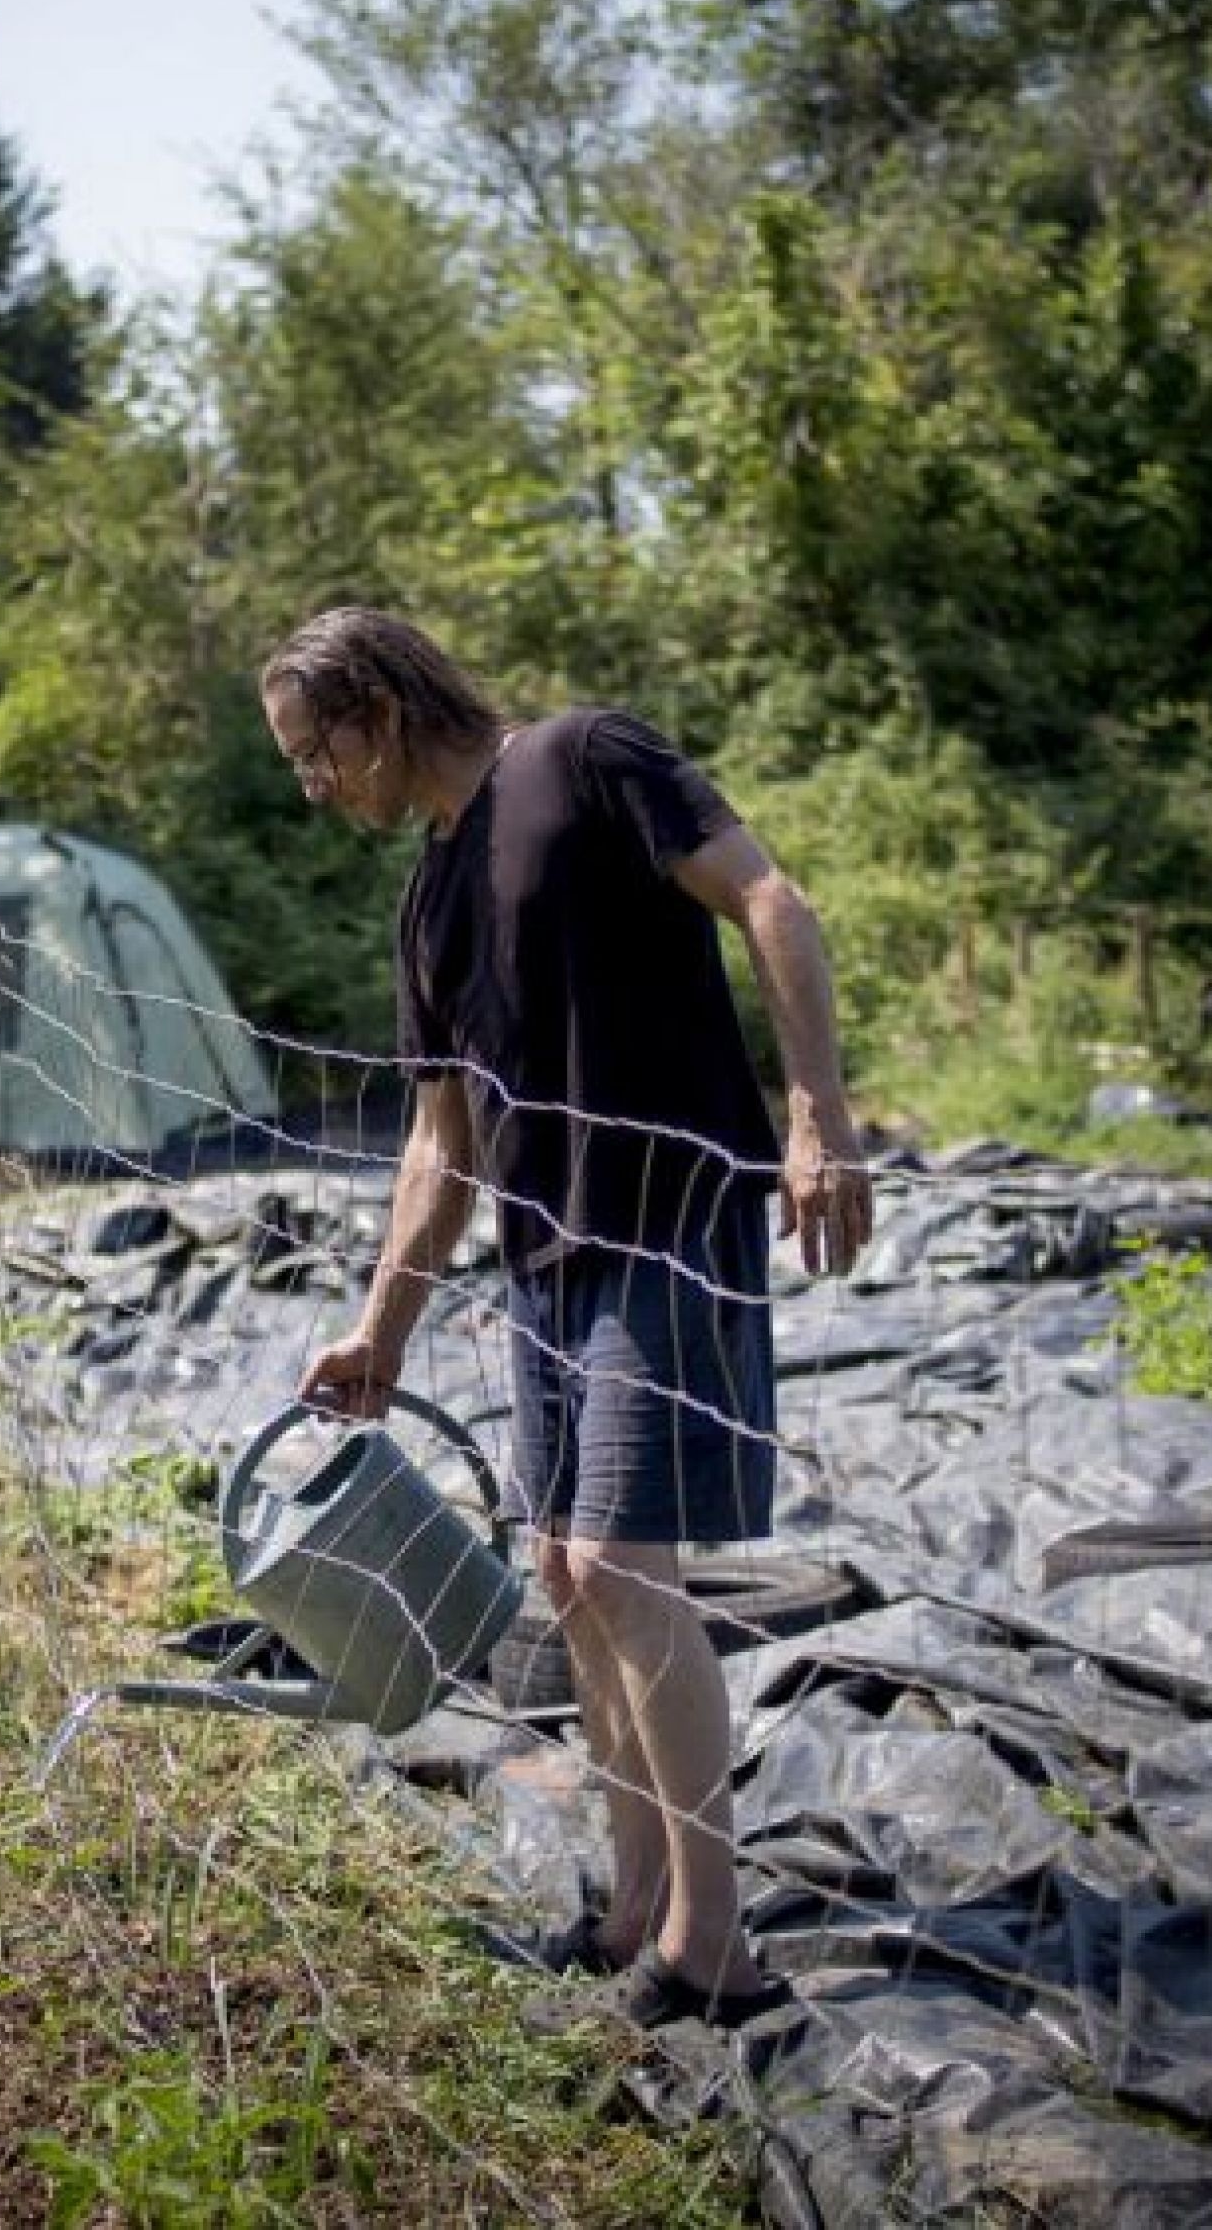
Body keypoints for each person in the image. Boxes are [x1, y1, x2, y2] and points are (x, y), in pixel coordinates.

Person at [257, 606, 872, 2036]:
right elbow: (438, 1149)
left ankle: (715, 1944)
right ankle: (629, 1906)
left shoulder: (587, 761)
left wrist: (818, 1114)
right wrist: (381, 1336)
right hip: (543, 1262)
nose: (311, 787)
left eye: (312, 754)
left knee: (615, 1559)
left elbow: (771, 900)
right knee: (568, 1570)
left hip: (667, 1220)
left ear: (379, 710)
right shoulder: (426, 901)